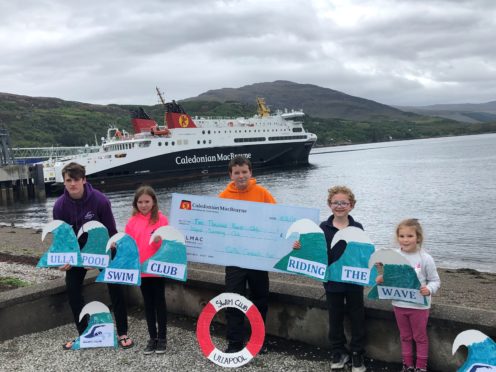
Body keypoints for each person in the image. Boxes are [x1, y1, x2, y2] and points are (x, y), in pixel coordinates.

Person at [53, 162, 133, 350]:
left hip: (102, 249)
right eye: (68, 180)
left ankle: (122, 332)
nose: (72, 184)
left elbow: (112, 233)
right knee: (72, 290)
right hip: (77, 254)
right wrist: (64, 259)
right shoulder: (59, 206)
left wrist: (97, 255)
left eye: (76, 180)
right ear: (64, 182)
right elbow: (62, 237)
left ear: (84, 180)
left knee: (116, 287)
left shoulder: (100, 200)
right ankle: (84, 333)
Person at [219, 155, 276, 353]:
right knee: (233, 300)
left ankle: (257, 341)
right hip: (234, 259)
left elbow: (277, 220)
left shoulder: (262, 193)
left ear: (251, 173)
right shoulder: (223, 197)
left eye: (244, 172)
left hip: (258, 258)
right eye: (237, 172)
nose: (241, 176)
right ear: (230, 175)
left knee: (259, 300)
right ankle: (234, 343)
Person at [376, 219, 440, 372]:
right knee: (405, 336)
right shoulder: (393, 256)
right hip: (399, 304)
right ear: (397, 237)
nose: (405, 240)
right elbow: (392, 278)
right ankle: (407, 365)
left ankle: (421, 367)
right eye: (402, 236)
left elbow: (435, 280)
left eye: (410, 236)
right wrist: (382, 279)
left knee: (420, 337)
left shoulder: (425, 258)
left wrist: (429, 289)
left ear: (418, 237)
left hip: (419, 306)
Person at [316, 186, 367, 371]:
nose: (339, 206)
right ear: (330, 205)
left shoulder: (358, 227)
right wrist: (299, 246)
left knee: (357, 317)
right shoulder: (322, 227)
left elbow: (363, 255)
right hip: (332, 282)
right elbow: (316, 252)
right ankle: (339, 351)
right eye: (336, 202)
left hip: (354, 282)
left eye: (344, 202)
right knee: (335, 317)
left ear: (351, 205)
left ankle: (357, 353)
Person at [124, 185, 169, 355]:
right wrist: (116, 245)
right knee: (148, 305)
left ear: (154, 202)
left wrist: (159, 239)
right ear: (136, 203)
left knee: (160, 304)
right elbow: (128, 246)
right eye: (140, 202)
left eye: (147, 201)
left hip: (157, 270)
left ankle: (163, 338)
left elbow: (168, 244)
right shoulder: (131, 222)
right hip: (141, 270)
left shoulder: (162, 220)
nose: (144, 205)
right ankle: (152, 338)